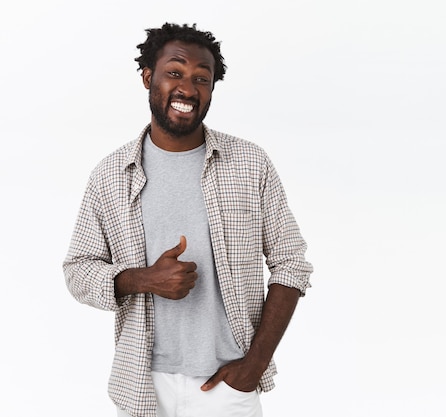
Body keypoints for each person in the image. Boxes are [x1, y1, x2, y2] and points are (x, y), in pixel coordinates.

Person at [63, 22, 313, 417]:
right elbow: (78, 271)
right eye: (175, 72)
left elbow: (291, 263)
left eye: (202, 78)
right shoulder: (110, 175)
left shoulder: (250, 164)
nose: (188, 88)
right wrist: (143, 279)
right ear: (148, 77)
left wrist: (255, 365)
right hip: (142, 384)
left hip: (227, 386)